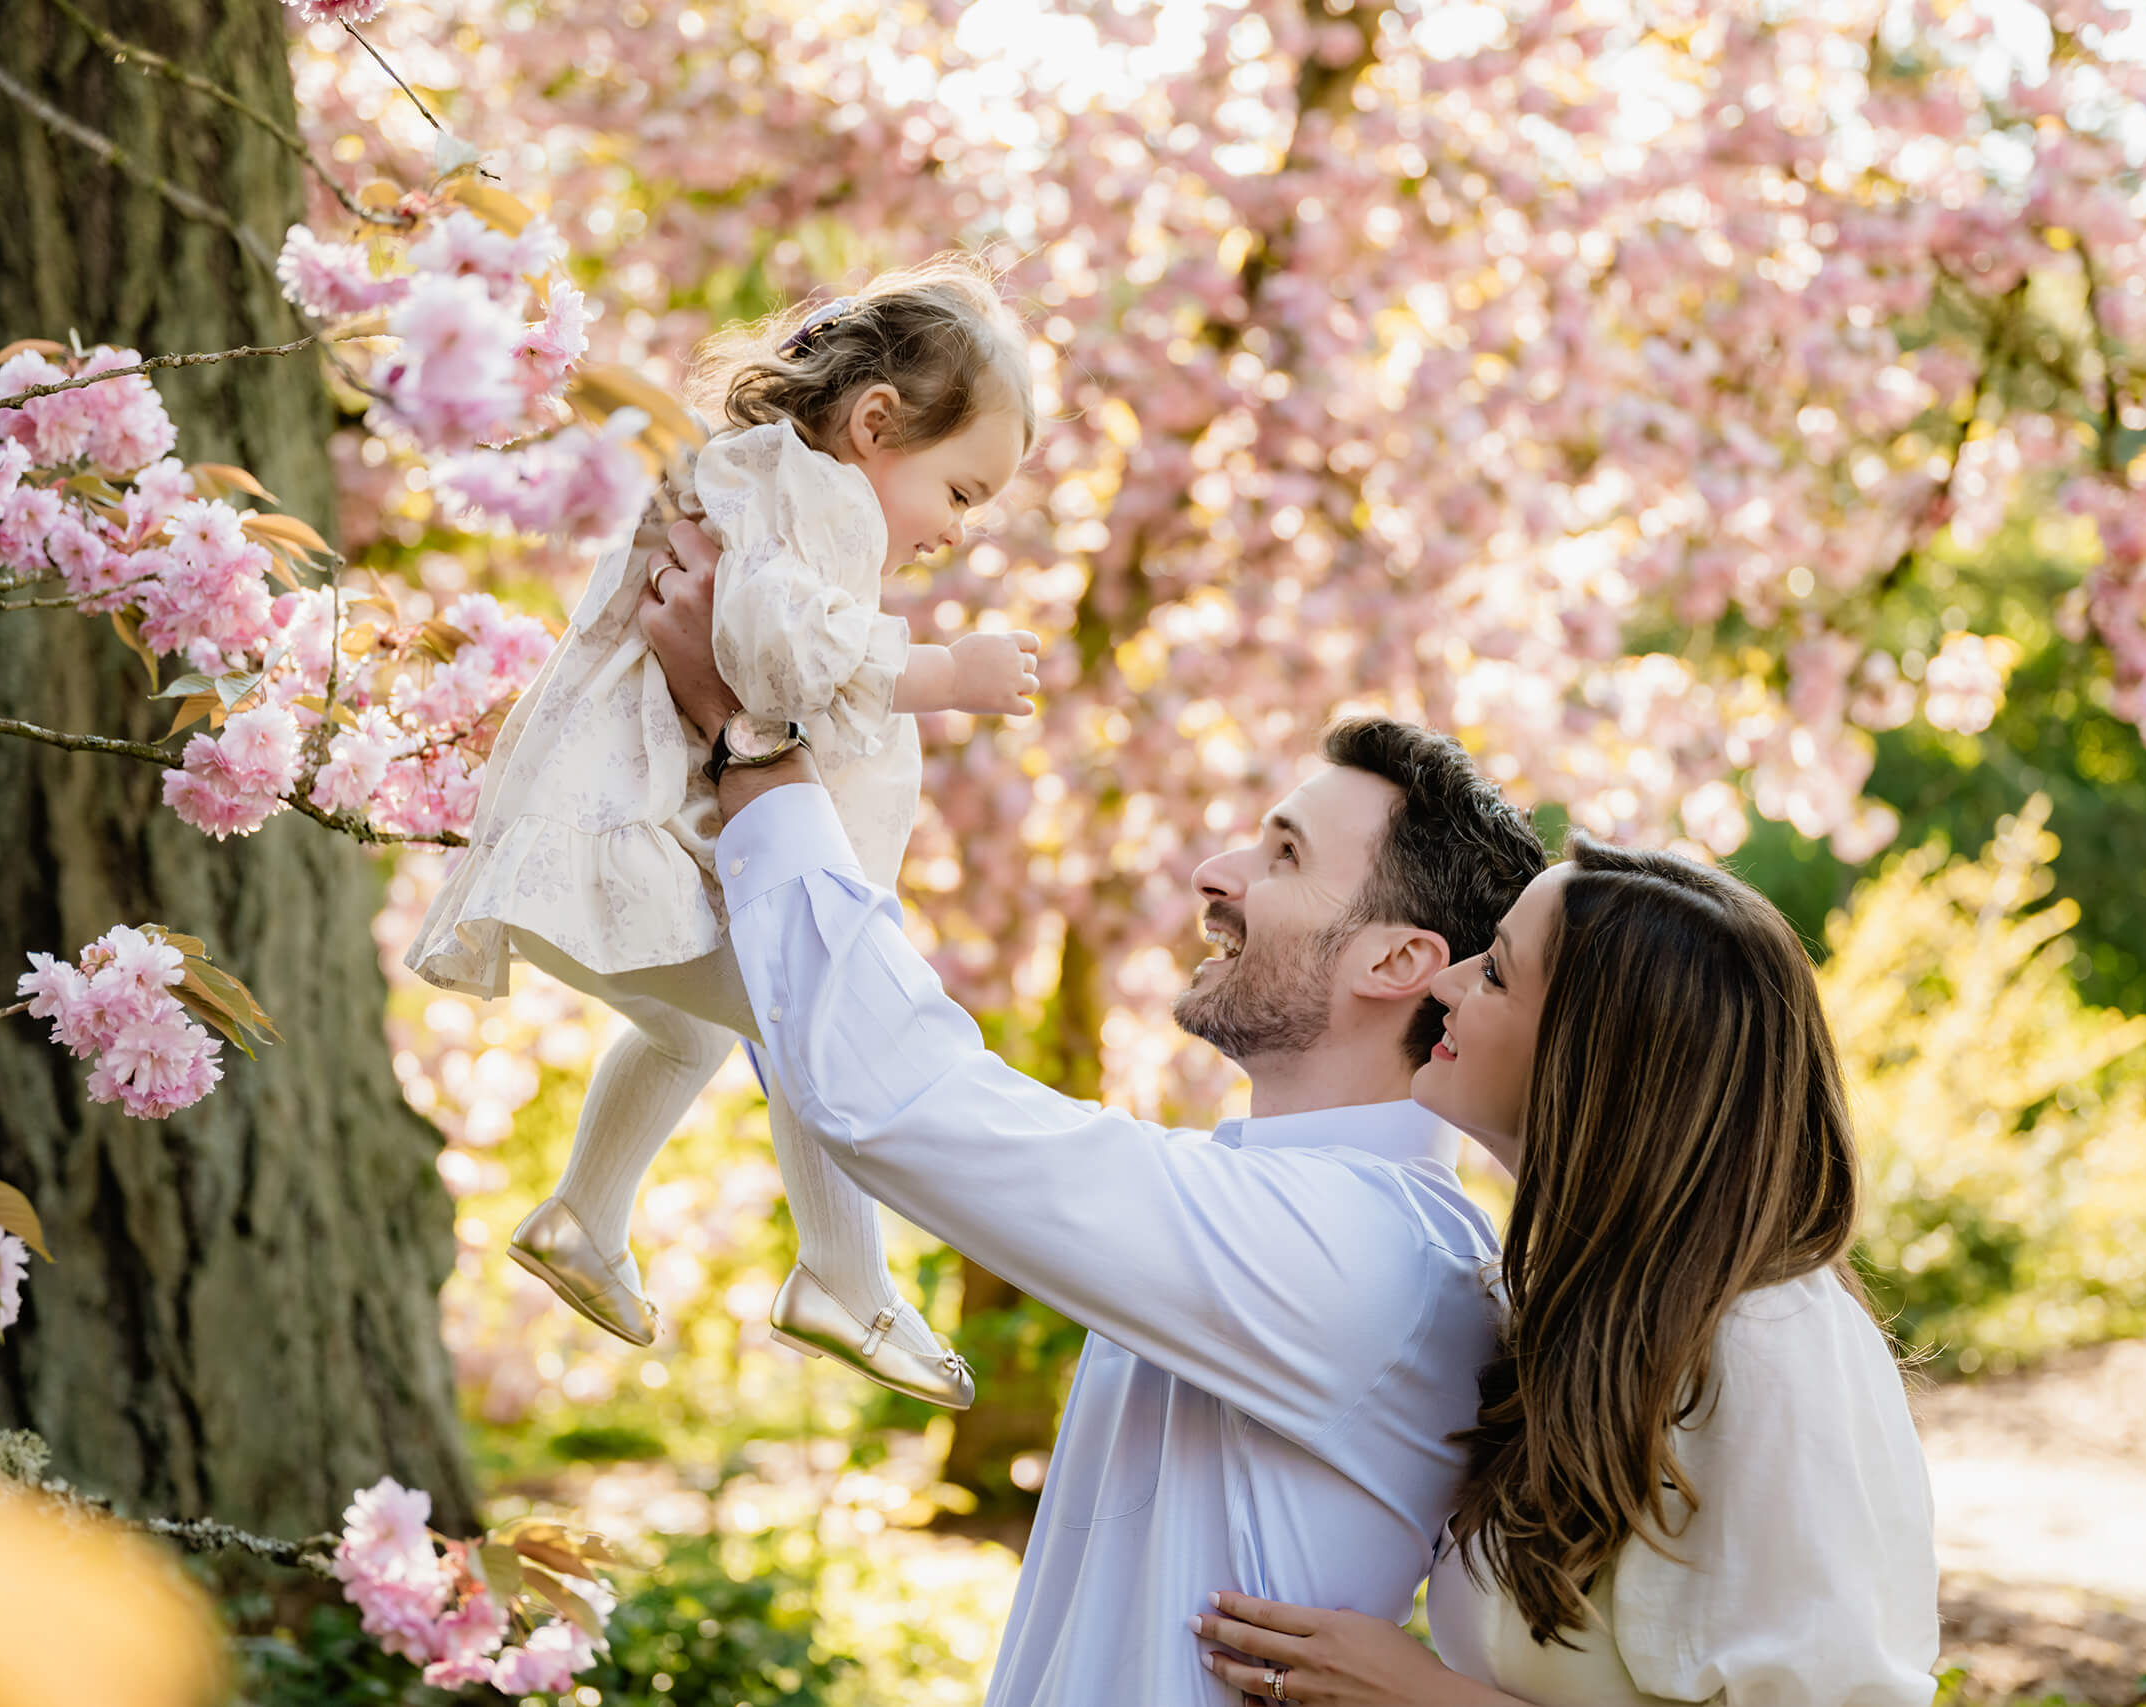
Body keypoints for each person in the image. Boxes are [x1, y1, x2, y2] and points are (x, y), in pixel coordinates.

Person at [635, 512, 1550, 1706]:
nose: (1213, 873)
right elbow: (856, 1075)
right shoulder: (1301, 1211)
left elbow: (902, 1101)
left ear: (1394, 964)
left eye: (1279, 856)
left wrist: (756, 736)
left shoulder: (1360, 1249)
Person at [405, 257, 1043, 1409]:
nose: (958, 531)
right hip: (618, 841)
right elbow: (766, 643)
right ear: (876, 423)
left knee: (692, 1036)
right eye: (960, 491)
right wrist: (942, 670)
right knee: (811, 1011)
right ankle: (843, 1281)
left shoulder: (759, 485)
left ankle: (583, 1220)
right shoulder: (813, 495)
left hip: (587, 845)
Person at [1189, 839, 1940, 1707]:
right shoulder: (1580, 1314)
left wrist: (1419, 1696)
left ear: (1601, 1056)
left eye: (1498, 972)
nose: (1446, 982)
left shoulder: (1766, 1341)